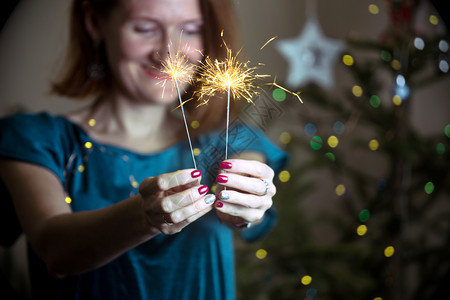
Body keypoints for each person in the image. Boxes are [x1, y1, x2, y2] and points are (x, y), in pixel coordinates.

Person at [0, 0, 287, 299]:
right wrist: (144, 216)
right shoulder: (35, 139)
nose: (168, 52)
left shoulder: (229, 141)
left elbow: (251, 193)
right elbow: (56, 250)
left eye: (189, 29)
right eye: (144, 28)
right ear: (94, 24)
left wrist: (248, 203)